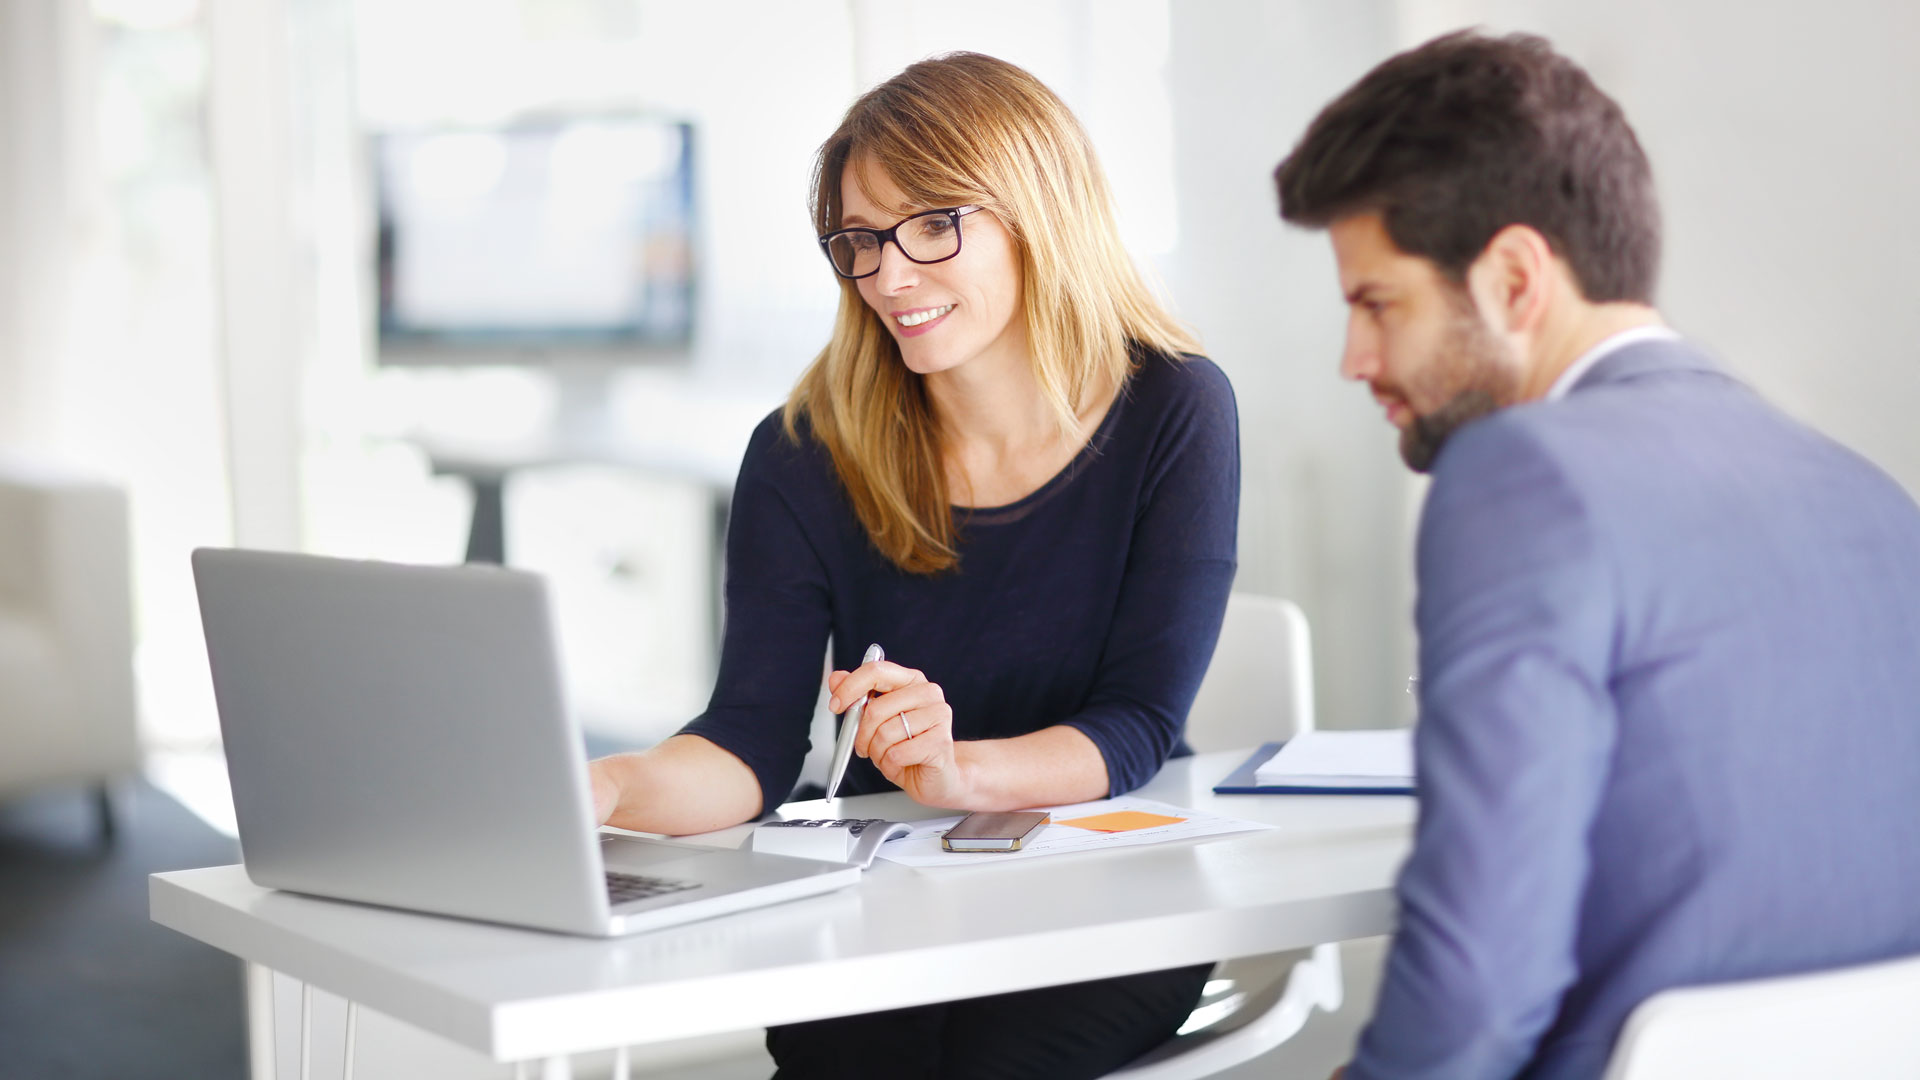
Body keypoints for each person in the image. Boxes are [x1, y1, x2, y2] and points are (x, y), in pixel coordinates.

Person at [1271, 30, 1920, 1080]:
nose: (1355, 361)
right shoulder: (1870, 492)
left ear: (1515, 278)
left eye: (1376, 304)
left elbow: (1480, 989)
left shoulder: (1520, 473)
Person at [590, 52, 1239, 1079]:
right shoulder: (804, 450)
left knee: (996, 1056)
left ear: (1038, 211)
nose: (889, 276)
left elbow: (1139, 722)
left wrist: (957, 769)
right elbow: (752, 741)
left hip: (1107, 884)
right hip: (885, 891)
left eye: (933, 225)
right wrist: (607, 784)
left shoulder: (1173, 407)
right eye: (859, 240)